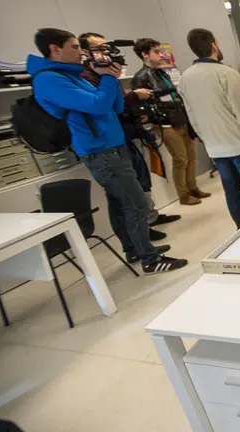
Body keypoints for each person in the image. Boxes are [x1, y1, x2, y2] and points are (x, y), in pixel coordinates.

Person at [26, 28, 187, 274]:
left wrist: (110, 77)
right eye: (73, 46)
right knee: (135, 204)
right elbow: (97, 104)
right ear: (54, 49)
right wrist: (108, 79)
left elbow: (115, 105)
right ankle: (149, 259)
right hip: (100, 151)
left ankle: (135, 248)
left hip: (112, 146)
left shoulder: (73, 74)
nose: (79, 51)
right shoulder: (50, 78)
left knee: (121, 204)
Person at [77, 32, 181, 244]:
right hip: (106, 145)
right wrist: (127, 93)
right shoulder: (86, 78)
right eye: (100, 48)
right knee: (126, 199)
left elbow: (118, 104)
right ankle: (140, 244)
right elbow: (103, 107)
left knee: (140, 182)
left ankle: (148, 222)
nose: (106, 52)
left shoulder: (104, 76)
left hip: (126, 136)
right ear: (86, 52)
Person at [178, 28, 240, 229]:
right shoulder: (226, 73)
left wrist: (207, 138)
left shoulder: (185, 77)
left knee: (231, 191)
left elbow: (191, 115)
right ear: (213, 45)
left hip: (215, 147)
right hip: (239, 145)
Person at [131, 38, 210, 206]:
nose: (161, 55)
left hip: (179, 118)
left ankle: (193, 187)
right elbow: (144, 104)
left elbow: (172, 94)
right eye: (156, 52)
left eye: (161, 51)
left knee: (191, 156)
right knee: (180, 159)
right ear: (145, 55)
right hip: (164, 122)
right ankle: (183, 194)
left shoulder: (161, 72)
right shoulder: (141, 77)